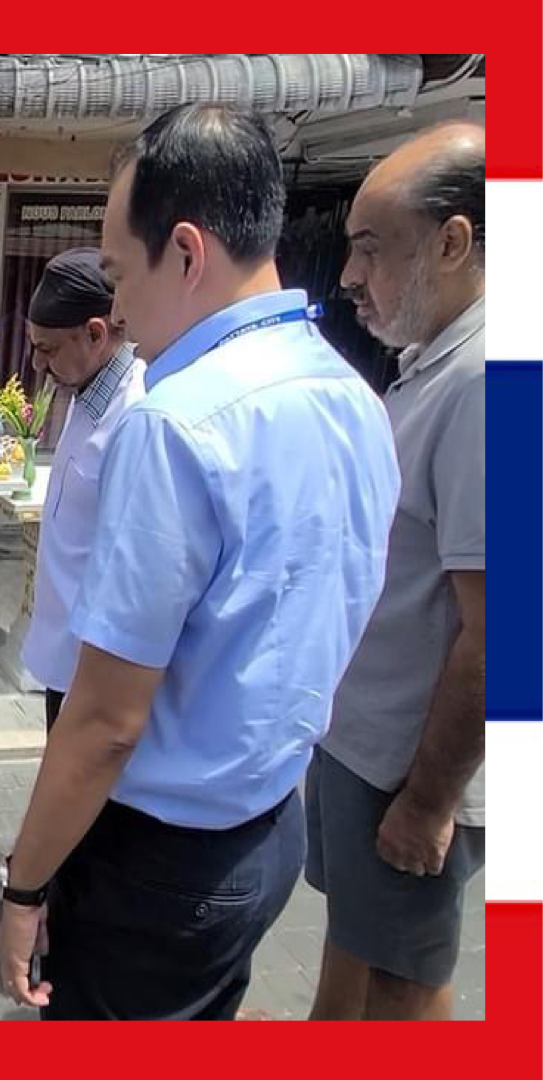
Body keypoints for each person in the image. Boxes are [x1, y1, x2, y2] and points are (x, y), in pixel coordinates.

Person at [0, 104, 401, 1020]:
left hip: (159, 861)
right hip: (265, 830)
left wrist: (23, 888)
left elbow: (105, 723)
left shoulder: (173, 422)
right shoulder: (352, 395)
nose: (120, 312)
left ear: (184, 252)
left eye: (118, 275)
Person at [307, 123, 486, 1022]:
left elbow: (502, 630)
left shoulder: (489, 380)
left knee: (403, 982)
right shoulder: (433, 364)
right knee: (358, 944)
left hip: (411, 771)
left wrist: (427, 800)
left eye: (370, 250)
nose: (347, 277)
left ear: (452, 243)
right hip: (368, 747)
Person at [19, 248, 146, 730]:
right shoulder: (85, 393)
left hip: (92, 676)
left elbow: (128, 573)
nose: (36, 363)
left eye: (47, 348)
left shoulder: (136, 415)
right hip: (63, 658)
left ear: (95, 334)